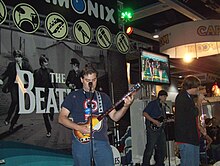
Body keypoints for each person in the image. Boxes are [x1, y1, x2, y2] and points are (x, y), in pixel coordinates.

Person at [58, 63, 134, 166]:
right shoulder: (73, 96)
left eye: (93, 80)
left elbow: (115, 117)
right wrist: (79, 128)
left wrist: (125, 106)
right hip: (81, 141)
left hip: (101, 141)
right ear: (81, 80)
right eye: (87, 80)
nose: (91, 83)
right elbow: (62, 118)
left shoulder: (103, 97)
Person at [174, 75, 208, 166]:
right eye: (196, 87)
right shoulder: (182, 98)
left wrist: (199, 127)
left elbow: (191, 117)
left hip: (192, 137)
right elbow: (194, 113)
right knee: (189, 163)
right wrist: (199, 102)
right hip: (186, 138)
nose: (197, 89)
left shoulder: (188, 98)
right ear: (191, 86)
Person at [0, 50, 33, 131]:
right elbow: (6, 73)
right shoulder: (11, 65)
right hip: (14, 85)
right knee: (14, 101)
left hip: (23, 86)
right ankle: (8, 119)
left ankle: (12, 124)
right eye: (16, 57)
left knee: (20, 107)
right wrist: (1, 79)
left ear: (21, 57)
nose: (17, 59)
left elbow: (31, 74)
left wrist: (30, 82)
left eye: (19, 57)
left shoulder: (26, 64)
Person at [142, 90, 168, 166]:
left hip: (160, 129)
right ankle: (145, 164)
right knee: (150, 148)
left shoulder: (163, 106)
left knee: (162, 148)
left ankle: (160, 163)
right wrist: (154, 121)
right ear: (160, 96)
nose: (165, 98)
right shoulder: (152, 104)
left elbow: (162, 118)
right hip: (152, 129)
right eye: (164, 96)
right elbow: (145, 113)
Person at [33, 55, 55, 137]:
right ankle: (48, 130)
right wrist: (35, 94)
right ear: (42, 63)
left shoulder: (51, 71)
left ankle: (51, 115)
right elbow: (34, 84)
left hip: (50, 93)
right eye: (45, 62)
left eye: (47, 61)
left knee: (51, 109)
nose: (47, 63)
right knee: (44, 113)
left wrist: (55, 90)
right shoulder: (37, 72)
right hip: (41, 94)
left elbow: (54, 82)